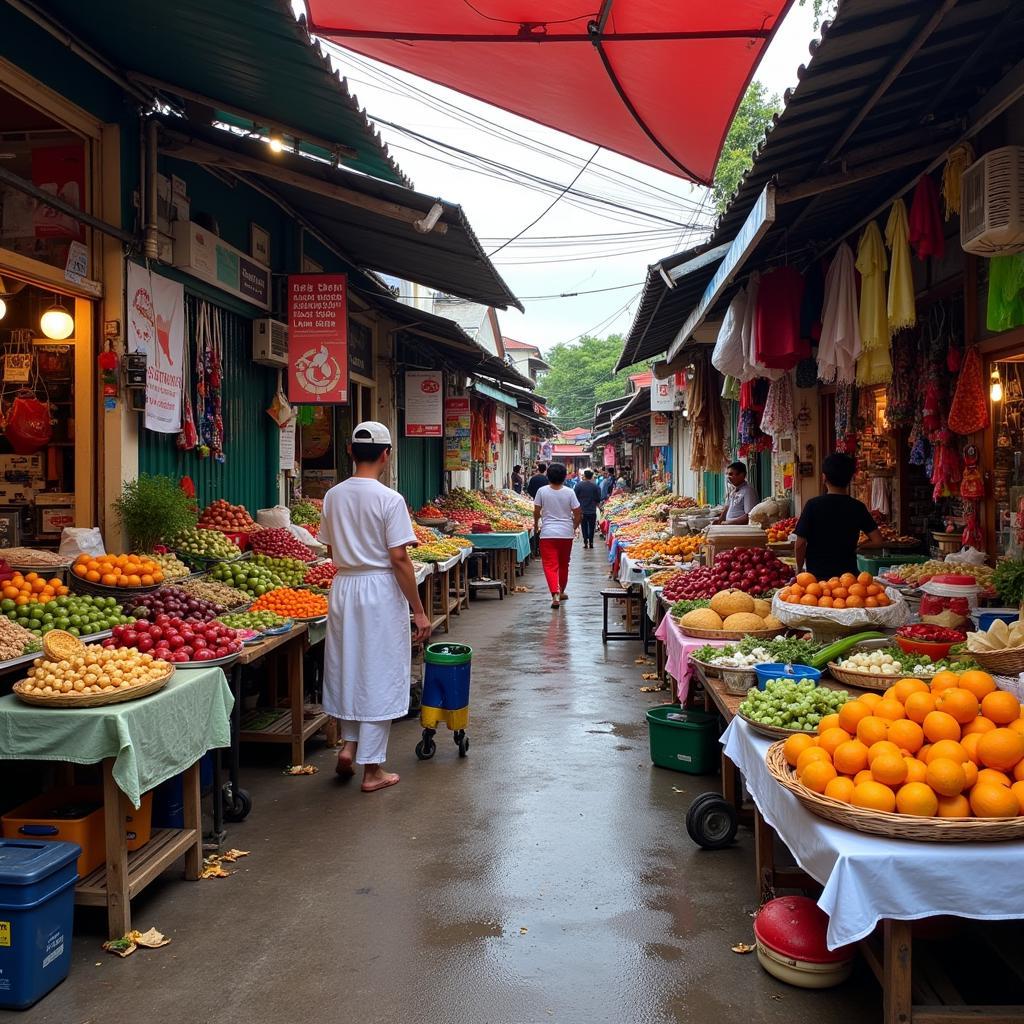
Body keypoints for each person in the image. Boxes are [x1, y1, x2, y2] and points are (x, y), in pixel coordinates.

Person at [319, 421, 432, 793]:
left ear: (350, 452)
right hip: (379, 589)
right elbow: (399, 557)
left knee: (349, 665)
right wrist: (417, 608)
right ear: (387, 454)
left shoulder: (333, 496)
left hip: (345, 586)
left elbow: (332, 550)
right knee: (380, 671)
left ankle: (349, 746)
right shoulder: (389, 499)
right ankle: (373, 770)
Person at [794, 452, 884, 579]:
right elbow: (878, 541)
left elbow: (800, 544)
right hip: (848, 579)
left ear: (824, 477)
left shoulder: (813, 505)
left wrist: (799, 568)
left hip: (817, 579)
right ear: (850, 479)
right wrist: (858, 546)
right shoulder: (857, 507)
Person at [533, 462, 581, 609]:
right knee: (563, 564)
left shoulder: (542, 491)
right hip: (566, 534)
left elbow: (536, 511)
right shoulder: (569, 492)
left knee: (550, 565)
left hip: (547, 534)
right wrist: (573, 527)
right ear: (564, 476)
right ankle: (562, 591)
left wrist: (536, 524)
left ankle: (555, 593)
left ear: (548, 476)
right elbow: (578, 513)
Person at [575, 469, 602, 549]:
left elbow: (575, 497)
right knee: (592, 526)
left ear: (584, 476)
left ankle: (585, 542)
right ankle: (591, 542)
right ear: (591, 477)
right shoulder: (595, 486)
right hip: (592, 510)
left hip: (582, 510)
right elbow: (598, 498)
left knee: (583, 526)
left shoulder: (579, 485)